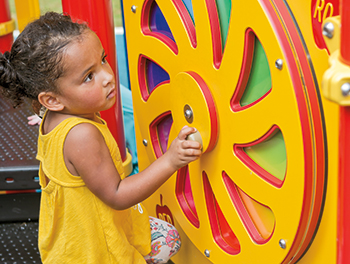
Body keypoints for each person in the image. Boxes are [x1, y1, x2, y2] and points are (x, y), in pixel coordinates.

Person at [0, 12, 202, 264]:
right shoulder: (81, 135)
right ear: (52, 100)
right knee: (168, 240)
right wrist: (171, 160)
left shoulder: (53, 117)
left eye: (103, 60)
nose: (107, 76)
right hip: (97, 250)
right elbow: (117, 195)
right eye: (88, 77)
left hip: (71, 237)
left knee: (167, 235)